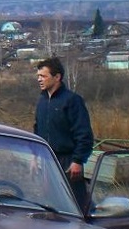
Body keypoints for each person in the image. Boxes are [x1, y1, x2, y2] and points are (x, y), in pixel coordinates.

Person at [33, 57, 94, 207]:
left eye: (44, 76)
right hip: (47, 160)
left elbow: (84, 134)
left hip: (68, 162)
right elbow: (37, 130)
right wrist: (34, 155)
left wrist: (78, 161)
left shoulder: (72, 101)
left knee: (73, 204)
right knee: (50, 203)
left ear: (57, 77)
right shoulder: (41, 102)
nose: (39, 80)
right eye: (38, 76)